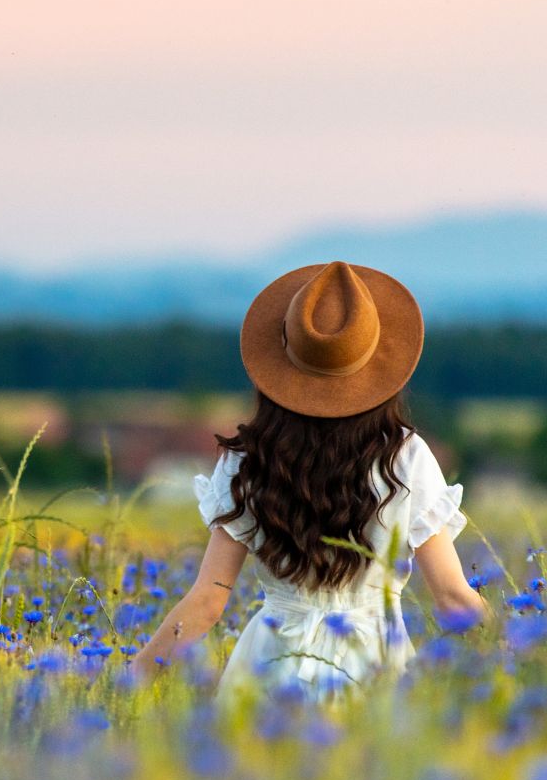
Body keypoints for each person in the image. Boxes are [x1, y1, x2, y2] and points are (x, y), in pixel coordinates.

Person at [128, 261, 487, 698]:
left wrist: (129, 680)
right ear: (378, 368)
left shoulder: (247, 461)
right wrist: (527, 657)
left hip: (268, 667)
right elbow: (451, 597)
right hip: (374, 667)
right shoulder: (406, 457)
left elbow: (208, 601)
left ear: (279, 366)